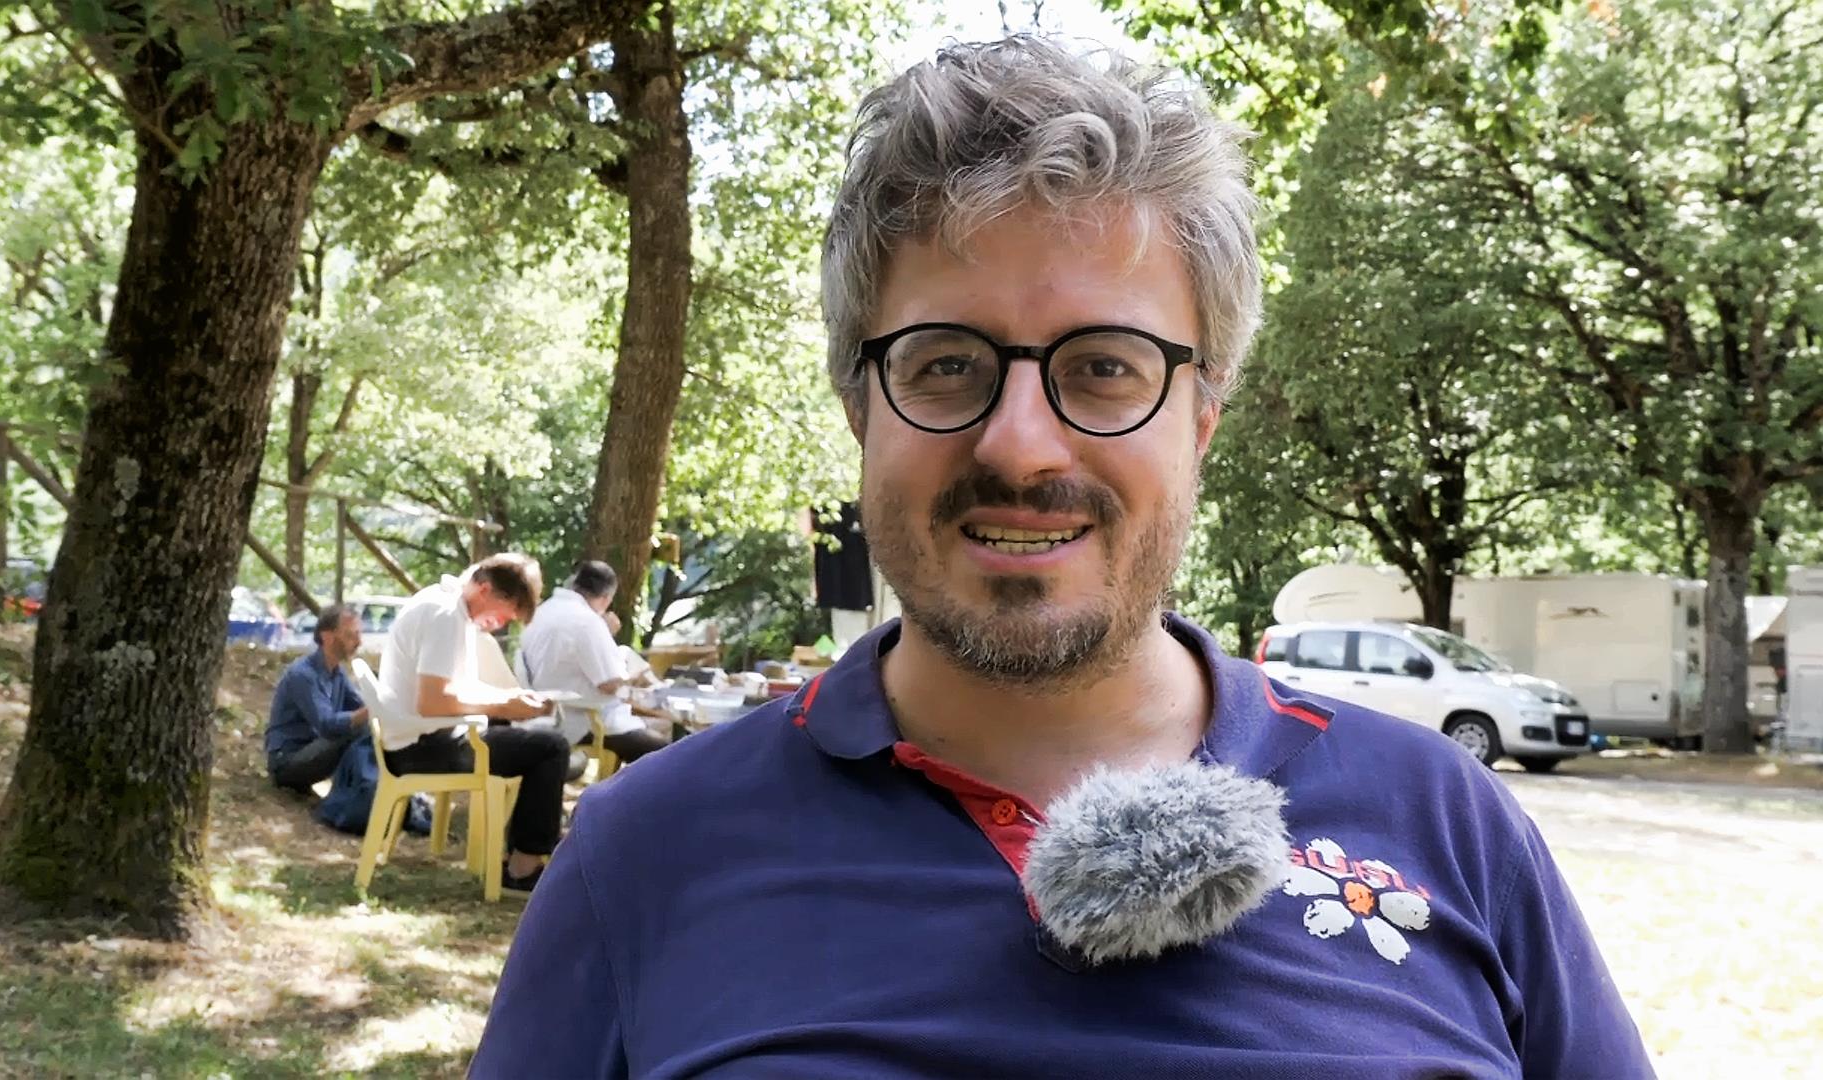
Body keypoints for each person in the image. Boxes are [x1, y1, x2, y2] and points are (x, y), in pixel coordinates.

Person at [473, 37, 1651, 1077]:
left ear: (1202, 416)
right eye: (944, 364)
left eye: (1105, 367)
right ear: (858, 407)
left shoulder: (1450, 822)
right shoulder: (644, 855)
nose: (1021, 445)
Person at [377, 553, 571, 895]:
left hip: (419, 738)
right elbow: (432, 701)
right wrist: (504, 705)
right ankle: (523, 867)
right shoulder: (444, 616)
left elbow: (454, 687)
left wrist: (509, 700)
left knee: (518, 732)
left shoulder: (448, 607)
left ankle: (525, 846)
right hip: (421, 748)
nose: (499, 625)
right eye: (503, 615)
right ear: (483, 590)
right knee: (550, 748)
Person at [518, 560, 669, 764]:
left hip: (545, 712)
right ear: (606, 599)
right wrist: (638, 677)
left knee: (655, 728)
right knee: (665, 751)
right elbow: (610, 684)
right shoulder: (587, 622)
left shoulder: (543, 611)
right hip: (581, 719)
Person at [265, 603, 367, 794]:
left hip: (312, 752)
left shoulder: (337, 672)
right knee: (356, 729)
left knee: (369, 728)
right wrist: (368, 713)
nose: (358, 642)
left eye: (359, 634)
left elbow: (359, 706)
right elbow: (326, 724)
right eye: (350, 635)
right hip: (287, 762)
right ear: (327, 636)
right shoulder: (303, 674)